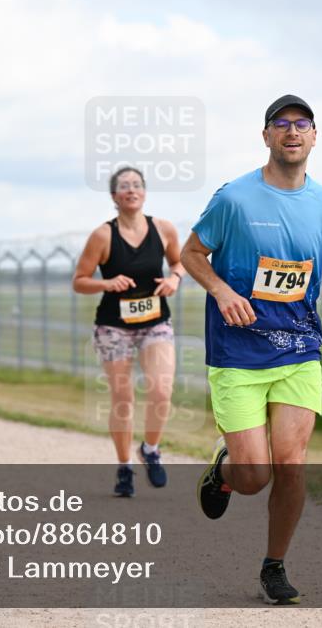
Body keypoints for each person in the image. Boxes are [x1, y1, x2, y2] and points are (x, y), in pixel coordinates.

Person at [180, 95, 322, 605]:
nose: (292, 132)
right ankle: (226, 471)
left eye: (302, 124)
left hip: (299, 351)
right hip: (237, 353)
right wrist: (223, 292)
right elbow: (191, 254)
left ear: (315, 137)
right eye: (282, 124)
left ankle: (275, 565)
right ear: (267, 135)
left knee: (292, 464)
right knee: (255, 476)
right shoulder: (235, 199)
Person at [72, 166, 186, 498]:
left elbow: (179, 263)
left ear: (145, 192)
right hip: (114, 326)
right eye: (124, 186)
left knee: (162, 391)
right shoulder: (102, 236)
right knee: (123, 399)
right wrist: (106, 283)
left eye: (137, 185)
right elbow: (79, 280)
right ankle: (124, 467)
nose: (131, 190)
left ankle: (150, 449)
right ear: (114, 197)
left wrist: (174, 279)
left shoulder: (163, 229)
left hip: (155, 322)